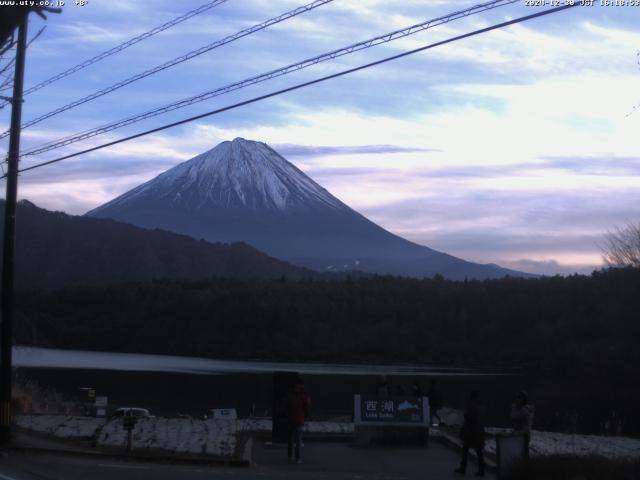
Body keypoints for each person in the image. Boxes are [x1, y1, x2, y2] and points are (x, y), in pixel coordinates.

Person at [455, 390, 485, 477]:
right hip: (477, 430)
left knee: (469, 449)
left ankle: (465, 468)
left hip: (472, 431)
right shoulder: (480, 405)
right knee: (477, 450)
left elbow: (471, 417)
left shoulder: (473, 406)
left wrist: (466, 416)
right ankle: (479, 469)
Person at [285, 379, 311, 464]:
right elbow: (307, 407)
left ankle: (294, 456)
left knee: (295, 439)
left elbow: (307, 406)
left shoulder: (295, 395)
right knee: (295, 440)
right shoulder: (302, 395)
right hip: (296, 419)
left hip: (296, 420)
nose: (300, 388)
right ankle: (295, 457)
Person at [510, 390, 535, 455]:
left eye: (520, 398)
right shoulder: (519, 408)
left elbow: (516, 417)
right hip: (518, 432)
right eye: (517, 398)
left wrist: (514, 409)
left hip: (524, 432)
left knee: (523, 452)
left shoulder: (526, 409)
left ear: (524, 399)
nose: (518, 400)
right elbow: (512, 417)